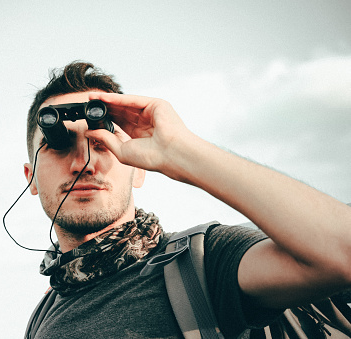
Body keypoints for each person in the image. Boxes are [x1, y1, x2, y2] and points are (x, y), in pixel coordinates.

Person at [22, 62, 351, 338]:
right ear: (31, 178)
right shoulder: (44, 314)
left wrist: (179, 151)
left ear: (138, 170)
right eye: (58, 145)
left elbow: (344, 253)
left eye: (103, 142)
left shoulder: (204, 264)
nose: (83, 164)